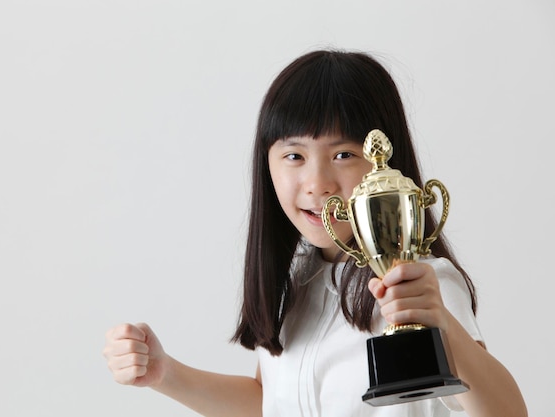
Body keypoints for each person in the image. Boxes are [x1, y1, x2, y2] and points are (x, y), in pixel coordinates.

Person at [102, 49, 527, 417]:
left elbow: (508, 412)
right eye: (294, 155)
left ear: (385, 162)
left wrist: (443, 325)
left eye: (343, 153)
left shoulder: (420, 282)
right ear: (266, 166)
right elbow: (270, 404)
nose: (317, 181)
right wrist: (165, 373)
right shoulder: (298, 280)